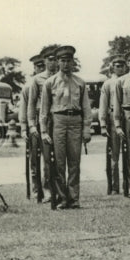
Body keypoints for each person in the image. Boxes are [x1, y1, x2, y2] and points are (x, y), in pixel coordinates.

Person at [39, 45, 92, 210]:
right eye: (63, 61)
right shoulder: (50, 83)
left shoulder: (80, 82)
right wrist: (43, 130)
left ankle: (74, 198)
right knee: (59, 163)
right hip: (59, 121)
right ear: (57, 62)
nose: (66, 64)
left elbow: (86, 108)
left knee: (75, 162)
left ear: (73, 62)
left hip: (75, 121)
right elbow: (44, 110)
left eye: (69, 60)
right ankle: (62, 198)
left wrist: (87, 128)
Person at [27, 45, 60, 196]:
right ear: (45, 61)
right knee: (45, 156)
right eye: (49, 60)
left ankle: (59, 188)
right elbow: (31, 104)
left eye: (54, 59)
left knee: (59, 155)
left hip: (58, 117)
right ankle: (47, 190)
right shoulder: (37, 80)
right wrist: (31, 125)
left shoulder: (62, 77)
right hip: (43, 118)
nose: (52, 63)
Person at [19, 51, 46, 202]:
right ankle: (36, 191)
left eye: (42, 66)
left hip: (47, 122)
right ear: (34, 68)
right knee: (34, 161)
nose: (40, 69)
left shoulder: (49, 81)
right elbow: (24, 108)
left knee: (49, 160)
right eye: (38, 66)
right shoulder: (28, 86)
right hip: (33, 122)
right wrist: (24, 127)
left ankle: (48, 189)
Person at [100, 56, 126, 195]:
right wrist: (103, 124)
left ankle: (129, 184)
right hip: (112, 118)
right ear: (112, 67)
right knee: (113, 155)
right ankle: (114, 187)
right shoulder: (108, 84)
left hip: (126, 116)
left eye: (122, 65)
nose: (120, 68)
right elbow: (103, 104)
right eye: (117, 65)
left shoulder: (129, 80)